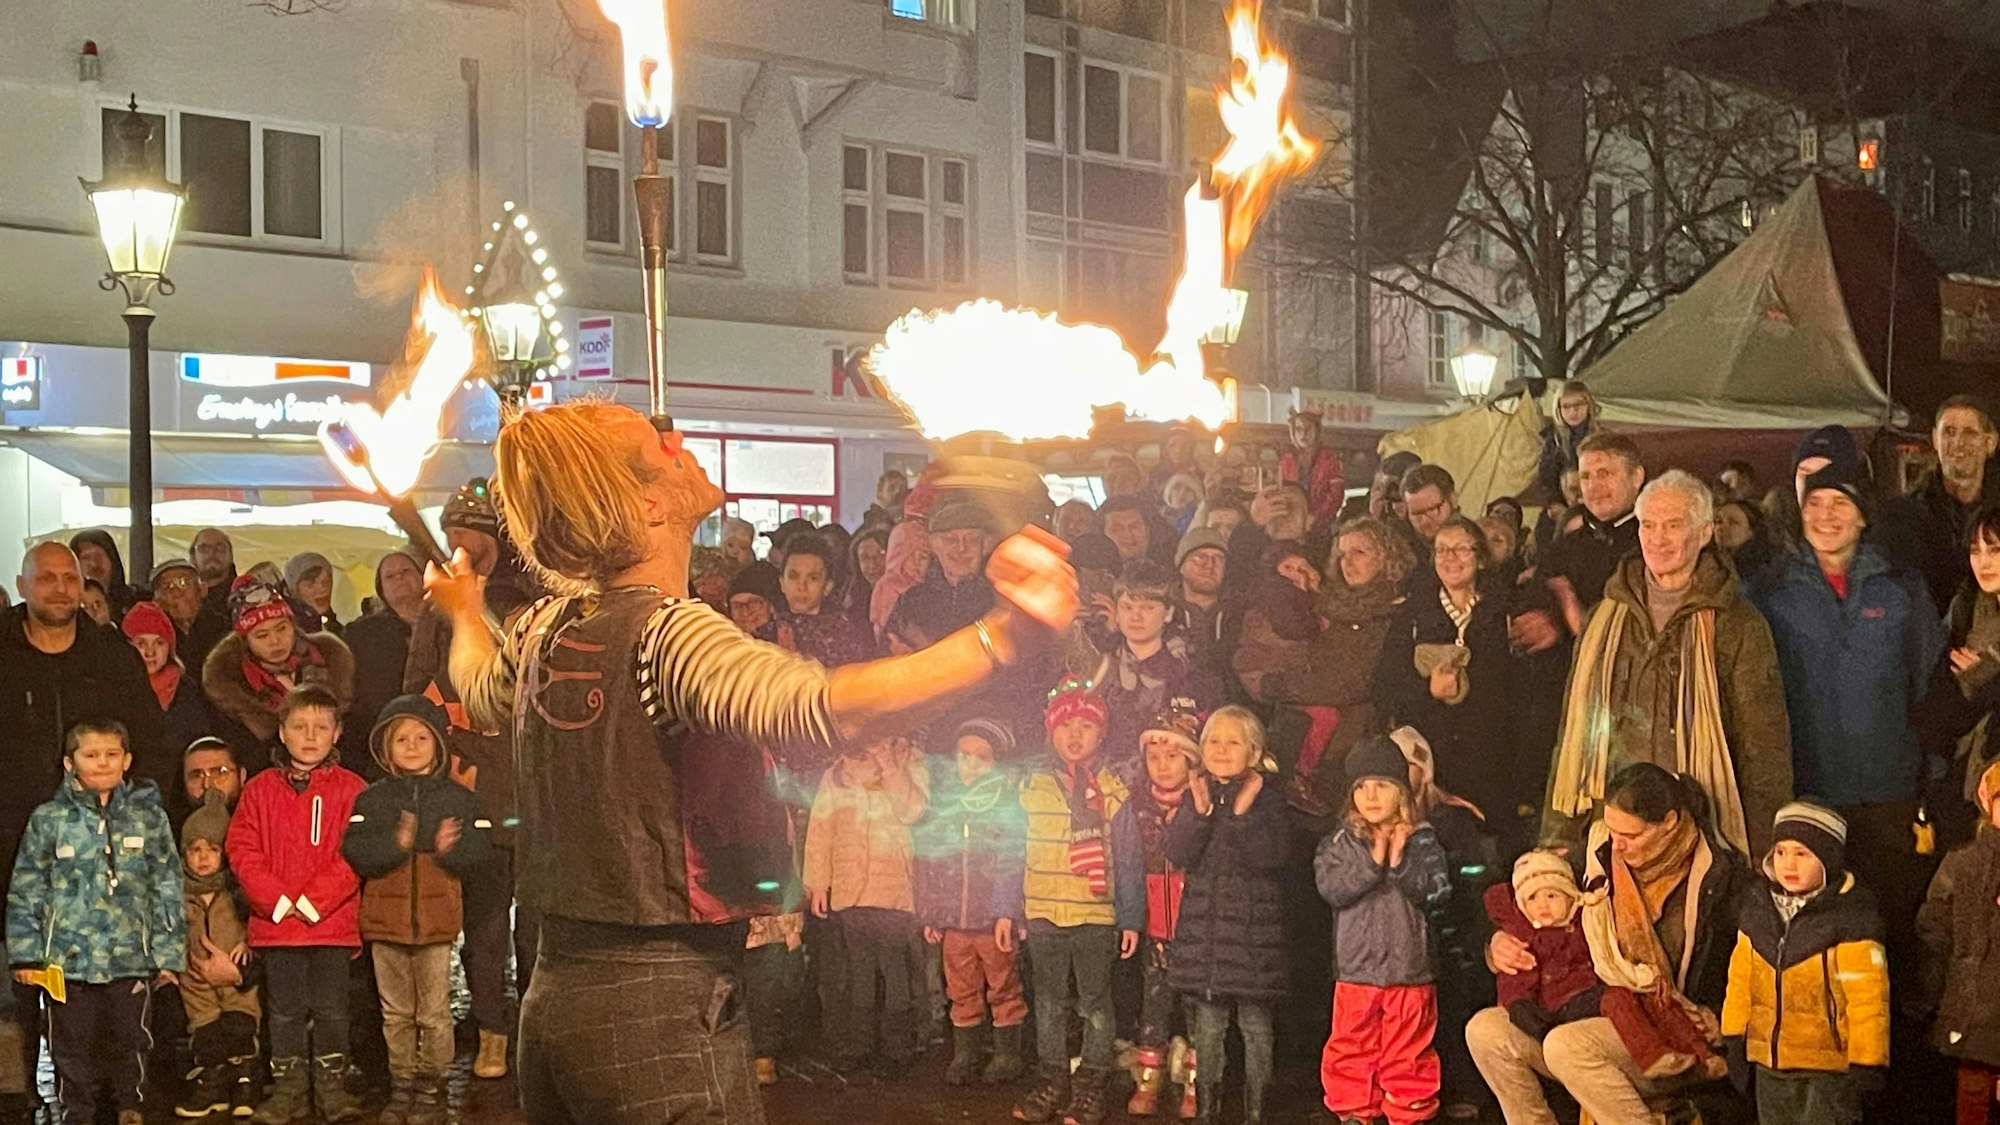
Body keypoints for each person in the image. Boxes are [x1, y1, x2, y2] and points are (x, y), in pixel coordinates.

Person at [430, 399, 1078, 1125]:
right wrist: (999, 637)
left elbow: (478, 686)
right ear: (646, 504)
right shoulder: (669, 635)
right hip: (659, 1012)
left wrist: (462, 610)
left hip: (555, 998)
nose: (674, 436)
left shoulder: (542, 629)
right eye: (658, 444)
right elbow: (824, 707)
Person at [1472, 763, 1752, 1125]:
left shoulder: (1721, 881)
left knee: (1566, 1045)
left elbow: (1755, 970)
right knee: (1486, 1030)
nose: (1616, 843)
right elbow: (1527, 888)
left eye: (1630, 836)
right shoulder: (1597, 854)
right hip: (1589, 1009)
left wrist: (1721, 1017)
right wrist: (1495, 943)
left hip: (1670, 1032)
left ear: (1668, 823)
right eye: (1612, 830)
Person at [1543, 471, 1792, 856]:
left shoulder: (1738, 623)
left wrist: (1763, 853)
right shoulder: (1603, 619)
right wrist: (1559, 836)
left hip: (1702, 832)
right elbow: (1575, 733)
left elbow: (1764, 751)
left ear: (1705, 532)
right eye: (1648, 525)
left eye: (1674, 525)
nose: (1657, 538)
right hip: (1612, 835)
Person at [1751, 463, 1943, 955]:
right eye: (1814, 503)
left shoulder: (1901, 589)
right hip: (1808, 794)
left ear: (1863, 516)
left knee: (1894, 924)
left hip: (1888, 791)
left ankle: (1896, 1030)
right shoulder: (1770, 592)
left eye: (1840, 503)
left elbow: (1930, 684)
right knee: (1817, 935)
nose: (1825, 516)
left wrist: (1932, 776)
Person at [1, 541, 164, 1080]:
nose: (60, 589)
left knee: (102, 984)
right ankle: (17, 1088)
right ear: (23, 586)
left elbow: (149, 744)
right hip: (8, 839)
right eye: (45, 578)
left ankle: (104, 1096)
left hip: (101, 849)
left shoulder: (111, 655)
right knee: (16, 973)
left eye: (69, 578)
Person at [5, 718, 183, 1125]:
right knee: (70, 1043)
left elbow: (167, 886)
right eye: (91, 755)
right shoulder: (49, 820)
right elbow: (26, 888)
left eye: (111, 754)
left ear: (127, 760)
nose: (102, 763)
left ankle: (129, 1106)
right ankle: (76, 1111)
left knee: (132, 1038)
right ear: (70, 762)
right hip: (65, 962)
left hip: (130, 958)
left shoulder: (148, 818)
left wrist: (168, 955)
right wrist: (25, 956)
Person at [342, 696, 490, 1124]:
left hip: (436, 923)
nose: (411, 746)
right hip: (384, 924)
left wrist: (451, 850)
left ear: (438, 745)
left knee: (433, 1012)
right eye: (401, 739)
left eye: (421, 737)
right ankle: (402, 1084)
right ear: (385, 749)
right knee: (396, 1013)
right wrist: (396, 844)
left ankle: (433, 1086)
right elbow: (356, 851)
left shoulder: (457, 798)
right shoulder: (372, 801)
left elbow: (480, 850)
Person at [227, 686, 368, 1124]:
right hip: (277, 925)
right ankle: (288, 1087)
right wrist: (277, 900)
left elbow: (358, 851)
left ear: (337, 733)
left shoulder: (353, 790)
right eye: (299, 727)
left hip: (330, 924)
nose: (310, 736)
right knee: (284, 1011)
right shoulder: (258, 790)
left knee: (332, 1008)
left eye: (321, 728)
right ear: (282, 732)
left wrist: (313, 902)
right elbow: (242, 847)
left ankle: (332, 1085)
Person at [1003, 681, 1140, 1125]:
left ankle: (1090, 1086)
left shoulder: (1113, 788)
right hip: (1043, 912)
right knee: (1049, 1002)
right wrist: (1005, 908)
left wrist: (1132, 917)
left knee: (1096, 1002)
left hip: (1095, 913)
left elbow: (1130, 854)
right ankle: (1052, 1081)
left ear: (1101, 734)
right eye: (1066, 726)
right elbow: (1010, 849)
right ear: (1051, 731)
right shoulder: (1031, 785)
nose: (1075, 735)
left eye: (1086, 726)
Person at [1721, 801, 1888, 1125]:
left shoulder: (1851, 919)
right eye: (1781, 852)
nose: (1789, 864)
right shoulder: (1757, 911)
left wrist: (1867, 1063)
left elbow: (1868, 1002)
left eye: (1802, 853)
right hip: (1769, 1065)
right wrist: (1734, 1037)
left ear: (1827, 859)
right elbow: (1740, 982)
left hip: (1827, 1071)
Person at [1313, 736, 1451, 1125]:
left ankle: (1407, 1116)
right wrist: (1373, 863)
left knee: (1407, 1054)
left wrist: (1401, 862)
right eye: (1361, 787)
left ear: (1401, 792)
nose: (1371, 795)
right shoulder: (1340, 842)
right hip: (1356, 972)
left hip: (1409, 973)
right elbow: (1331, 888)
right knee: (1350, 1048)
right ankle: (1355, 1114)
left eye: (1382, 785)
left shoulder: (1422, 839)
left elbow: (1438, 893)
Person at [1166, 706, 1288, 1125]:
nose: (1221, 749)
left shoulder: (1270, 799)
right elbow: (1178, 853)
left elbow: (1270, 855)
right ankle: (1207, 1110)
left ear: (1253, 753)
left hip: (1254, 939)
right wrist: (1199, 812)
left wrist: (1242, 814)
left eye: (1233, 742)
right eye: (1213, 741)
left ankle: (1257, 1110)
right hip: (1207, 939)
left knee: (1256, 1028)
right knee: (1209, 1030)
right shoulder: (1196, 796)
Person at [1375, 516, 1526, 836]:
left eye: (1461, 549)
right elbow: (1385, 684)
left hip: (1493, 760)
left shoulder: (1507, 610)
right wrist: (1428, 690)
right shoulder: (1411, 615)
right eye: (1442, 550)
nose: (1450, 558)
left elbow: (1522, 687)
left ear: (1481, 558)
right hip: (1434, 762)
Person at [802, 736, 928, 1076]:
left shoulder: (910, 761)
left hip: (894, 889)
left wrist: (889, 766)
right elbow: (821, 829)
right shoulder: (838, 773)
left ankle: (897, 1047)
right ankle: (860, 1044)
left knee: (894, 970)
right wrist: (818, 883)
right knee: (859, 971)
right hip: (850, 888)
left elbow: (914, 811)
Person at [914, 719, 1027, 1086]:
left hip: (992, 922)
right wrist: (931, 913)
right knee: (960, 988)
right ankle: (966, 1053)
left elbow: (1012, 861)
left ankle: (1007, 1053)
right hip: (954, 924)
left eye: (983, 757)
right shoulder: (945, 806)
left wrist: (1007, 912)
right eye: (965, 756)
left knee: (1003, 986)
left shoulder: (1006, 805)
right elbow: (931, 860)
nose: (972, 764)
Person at [1108, 704, 1200, 1119]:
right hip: (1155, 925)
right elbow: (1127, 865)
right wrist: (1130, 920)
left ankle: (1195, 1082)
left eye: (1173, 756)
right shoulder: (1136, 807)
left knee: (1199, 1008)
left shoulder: (1202, 803)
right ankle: (1149, 1080)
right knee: (1154, 1003)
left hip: (1198, 927)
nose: (1162, 766)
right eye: (1154, 757)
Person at [1915, 757, 2000, 1125]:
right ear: (1988, 804)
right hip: (1975, 1020)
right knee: (1973, 1104)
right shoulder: (1963, 864)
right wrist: (1925, 998)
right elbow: (1934, 932)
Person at [174, 790, 262, 1121]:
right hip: (194, 978)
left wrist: (250, 941)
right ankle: (212, 1082)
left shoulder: (237, 892)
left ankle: (244, 1081)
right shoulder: (179, 894)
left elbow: (261, 917)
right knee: (205, 1031)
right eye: (194, 849)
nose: (203, 857)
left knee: (240, 1025)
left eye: (212, 849)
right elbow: (167, 930)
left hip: (236, 973)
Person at [202, 577, 356, 753]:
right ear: (245, 642)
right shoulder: (233, 686)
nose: (275, 641)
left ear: (293, 626)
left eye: (281, 628)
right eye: (262, 635)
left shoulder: (332, 660)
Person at [1095, 561, 1221, 769]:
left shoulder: (1195, 673)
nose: (1136, 616)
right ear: (1116, 612)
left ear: (1169, 613)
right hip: (1105, 784)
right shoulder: (1100, 667)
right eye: (1127, 607)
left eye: (1148, 608)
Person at [1482, 851, 1601, 1039]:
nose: (1542, 905)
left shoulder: (1586, 924)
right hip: (1545, 1010)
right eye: (1532, 898)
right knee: (1485, 1028)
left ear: (1571, 897)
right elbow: (1517, 978)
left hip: (1584, 998)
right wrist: (1518, 1004)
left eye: (1552, 896)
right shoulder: (1524, 935)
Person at [1537, 432, 1645, 637]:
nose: (1594, 486)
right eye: (1586, 476)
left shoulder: (1655, 543)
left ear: (1636, 477)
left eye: (1604, 474)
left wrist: (1568, 601)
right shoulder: (1564, 546)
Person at [122, 600, 221, 805]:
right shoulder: (115, 690)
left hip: (180, 797)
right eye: (141, 643)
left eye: (159, 643)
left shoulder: (188, 691)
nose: (150, 652)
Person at [1909, 396, 2000, 614]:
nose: (1958, 442)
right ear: (1934, 439)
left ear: (1991, 443)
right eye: (1949, 432)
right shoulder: (1909, 515)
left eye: (1970, 433)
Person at [341, 550, 426, 760]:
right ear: (382, 589)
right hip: (376, 737)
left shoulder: (447, 625)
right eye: (390, 576)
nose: (399, 578)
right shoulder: (360, 634)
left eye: (405, 571)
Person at [780, 535, 876, 667]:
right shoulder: (770, 628)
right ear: (782, 583)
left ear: (827, 587)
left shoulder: (846, 634)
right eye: (793, 577)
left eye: (813, 578)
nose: (801, 587)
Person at [151, 558, 231, 670]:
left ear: (203, 589)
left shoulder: (226, 630)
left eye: (183, 582)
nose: (177, 592)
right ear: (157, 601)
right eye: (167, 586)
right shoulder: (154, 640)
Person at [1279, 409, 1346, 532]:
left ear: (1317, 431)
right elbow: (1282, 492)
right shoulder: (1286, 460)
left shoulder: (1329, 460)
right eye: (1298, 429)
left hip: (1322, 526)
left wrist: (1316, 517)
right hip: (1291, 525)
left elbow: (1336, 495)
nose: (1303, 434)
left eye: (1308, 429)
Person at [871, 519, 932, 644]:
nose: (917, 563)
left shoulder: (932, 587)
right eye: (908, 556)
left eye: (923, 557)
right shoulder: (887, 586)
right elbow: (882, 629)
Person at [1535, 381, 1597, 503]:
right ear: (1558, 409)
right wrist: (1554, 504)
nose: (1573, 411)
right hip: (1561, 502)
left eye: (1578, 404)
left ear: (1588, 405)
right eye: (1566, 406)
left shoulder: (1600, 436)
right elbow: (1546, 480)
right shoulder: (1553, 441)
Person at [69, 527, 139, 620]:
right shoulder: (69, 606)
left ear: (112, 560)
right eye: (86, 557)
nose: (94, 564)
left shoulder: (134, 603)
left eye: (99, 555)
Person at [1712, 498, 1777, 585]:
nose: (1721, 527)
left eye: (1733, 522)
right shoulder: (1708, 562)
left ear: (1751, 531)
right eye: (1719, 521)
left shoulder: (1767, 568)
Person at [1400, 464, 1459, 548]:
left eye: (1433, 510)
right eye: (1417, 514)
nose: (1425, 521)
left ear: (1452, 500)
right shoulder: (1403, 551)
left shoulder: (1479, 545)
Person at [284, 552, 341, 636]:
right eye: (310, 585)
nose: (322, 589)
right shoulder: (289, 629)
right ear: (294, 591)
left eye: (326, 582)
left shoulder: (339, 621)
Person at [191, 528, 238, 613]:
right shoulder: (183, 598)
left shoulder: (245, 596)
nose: (212, 553)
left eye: (220, 548)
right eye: (204, 548)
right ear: (193, 556)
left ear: (231, 555)